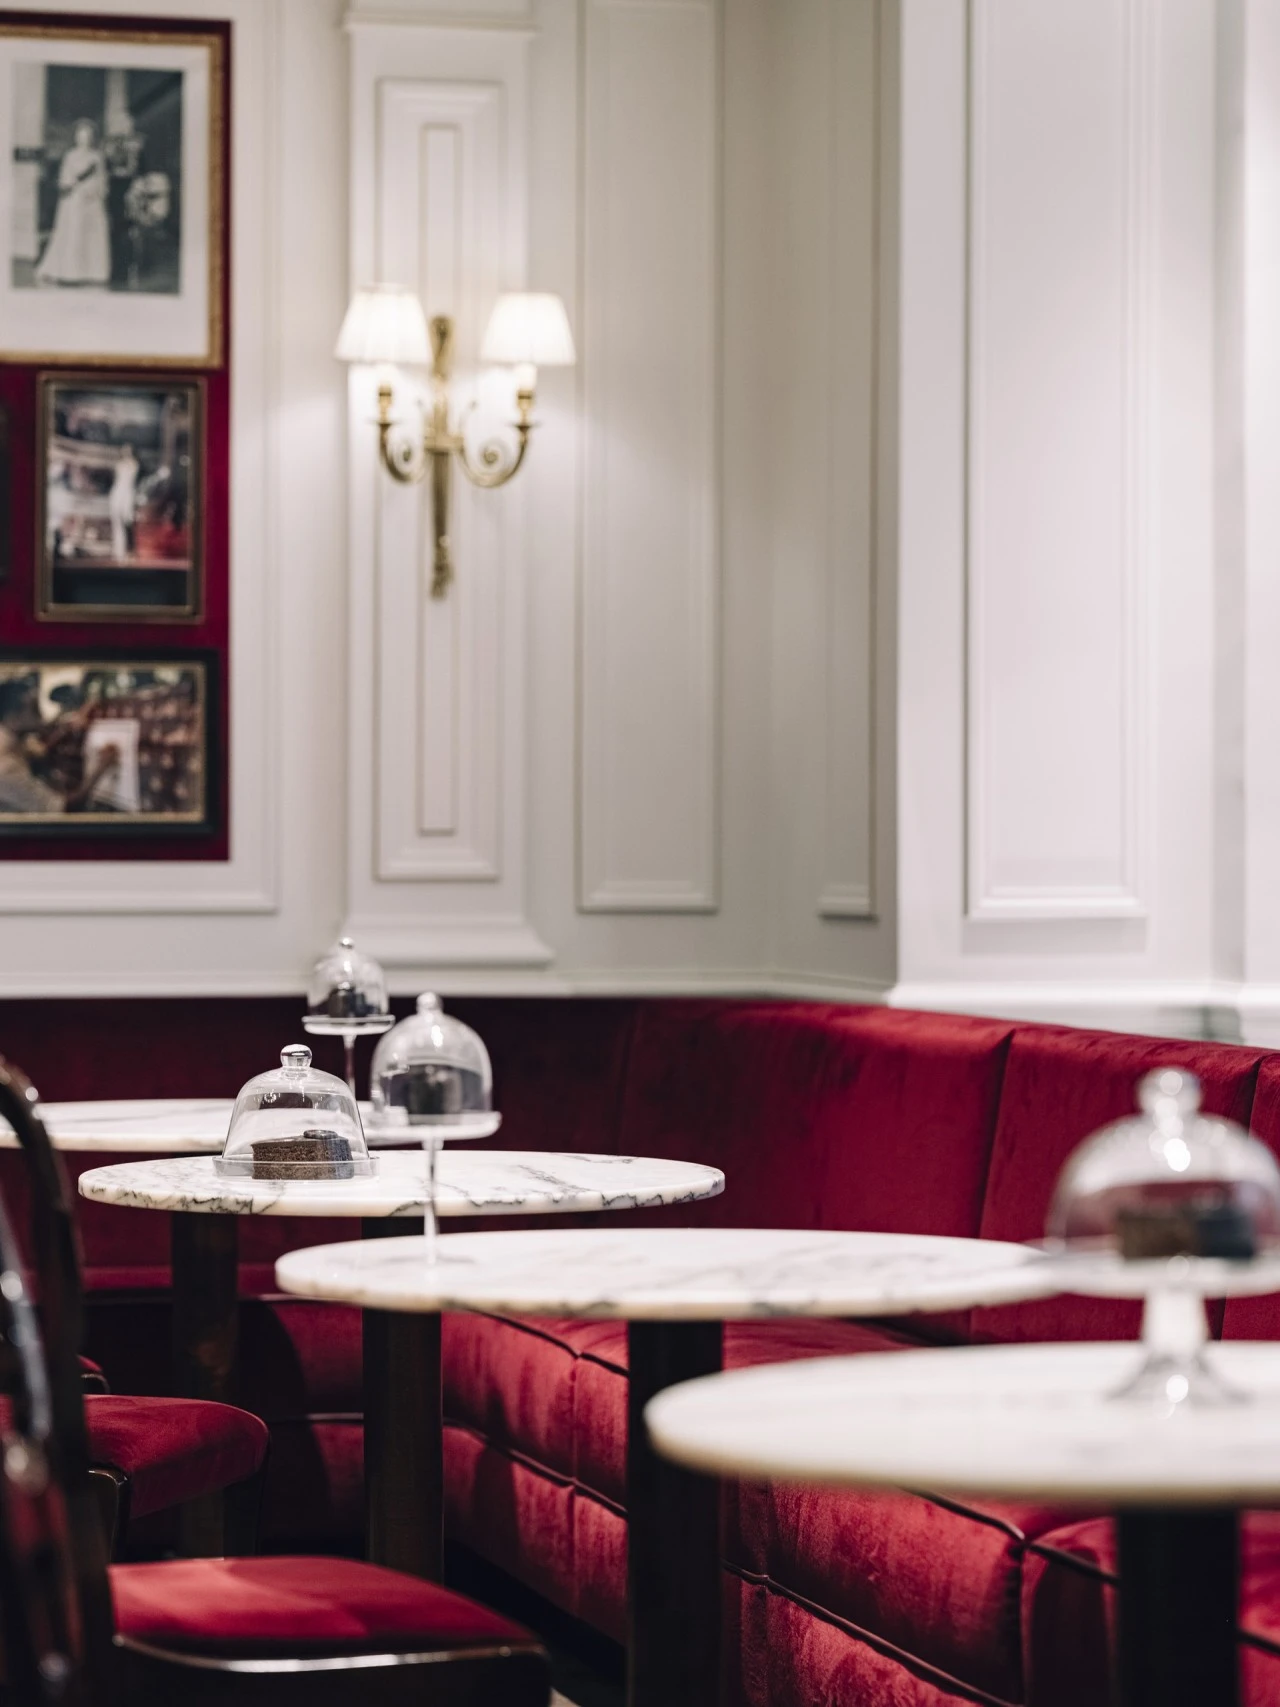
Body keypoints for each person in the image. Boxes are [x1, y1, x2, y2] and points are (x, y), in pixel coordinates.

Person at [36, 120, 110, 289]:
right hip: (74, 201)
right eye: (81, 136)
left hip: (92, 201)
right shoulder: (70, 156)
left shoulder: (96, 157)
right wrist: (75, 187)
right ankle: (71, 272)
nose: (84, 139)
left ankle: (93, 272)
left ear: (92, 138)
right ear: (76, 137)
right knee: (73, 233)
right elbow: (64, 180)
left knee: (91, 234)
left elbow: (102, 181)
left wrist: (92, 191)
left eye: (87, 136)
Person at [108, 443, 139, 562]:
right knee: (117, 522)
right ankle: (119, 551)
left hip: (128, 493)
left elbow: (130, 477)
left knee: (128, 522)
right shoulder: (119, 464)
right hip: (118, 492)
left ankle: (129, 551)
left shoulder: (133, 464)